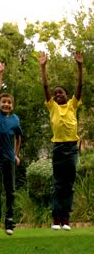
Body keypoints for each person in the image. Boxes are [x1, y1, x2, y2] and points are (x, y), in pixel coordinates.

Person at [39, 52, 83, 231]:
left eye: (60, 92)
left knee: (69, 184)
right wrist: (43, 67)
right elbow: (45, 86)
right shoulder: (52, 107)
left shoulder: (73, 105)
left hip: (72, 148)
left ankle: (66, 218)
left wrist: (80, 66)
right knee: (58, 183)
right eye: (55, 93)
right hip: (58, 148)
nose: (57, 95)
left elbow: (80, 85)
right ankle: (56, 218)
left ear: (67, 95)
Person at [0, 61, 23, 236]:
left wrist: (16, 155)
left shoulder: (15, 120)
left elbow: (19, 137)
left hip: (9, 158)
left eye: (9, 103)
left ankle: (9, 221)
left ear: (12, 105)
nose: (6, 104)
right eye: (4, 102)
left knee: (10, 190)